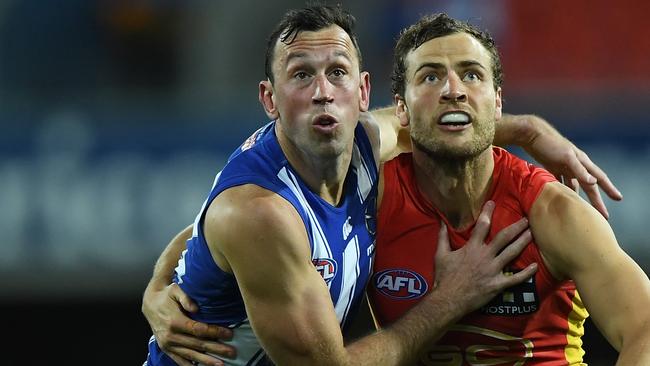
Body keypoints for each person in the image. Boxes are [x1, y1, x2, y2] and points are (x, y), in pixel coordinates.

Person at [141, 6, 625, 366]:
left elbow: (441, 118)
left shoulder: (367, 147)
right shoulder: (260, 213)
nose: (322, 92)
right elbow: (229, 222)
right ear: (269, 98)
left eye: (336, 74)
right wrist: (451, 297)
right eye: (301, 76)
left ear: (363, 93)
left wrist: (530, 130)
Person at [366, 13, 650, 364]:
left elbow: (644, 328)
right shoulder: (373, 202)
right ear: (400, 108)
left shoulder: (550, 211)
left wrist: (527, 128)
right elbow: (355, 136)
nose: (453, 90)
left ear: (497, 102)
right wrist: (524, 129)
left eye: (471, 75)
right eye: (430, 77)